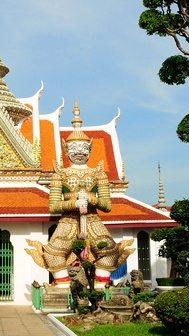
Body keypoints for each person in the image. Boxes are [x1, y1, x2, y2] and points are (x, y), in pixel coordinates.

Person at [26, 101, 132, 289]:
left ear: (90, 149)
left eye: (84, 149)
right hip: (68, 221)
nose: (80, 153)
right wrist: (73, 203)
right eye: (75, 149)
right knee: (51, 254)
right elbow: (53, 206)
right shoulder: (61, 174)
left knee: (110, 253)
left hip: (92, 219)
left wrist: (91, 199)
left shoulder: (98, 174)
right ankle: (63, 287)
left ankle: (100, 288)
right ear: (66, 150)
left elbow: (107, 206)